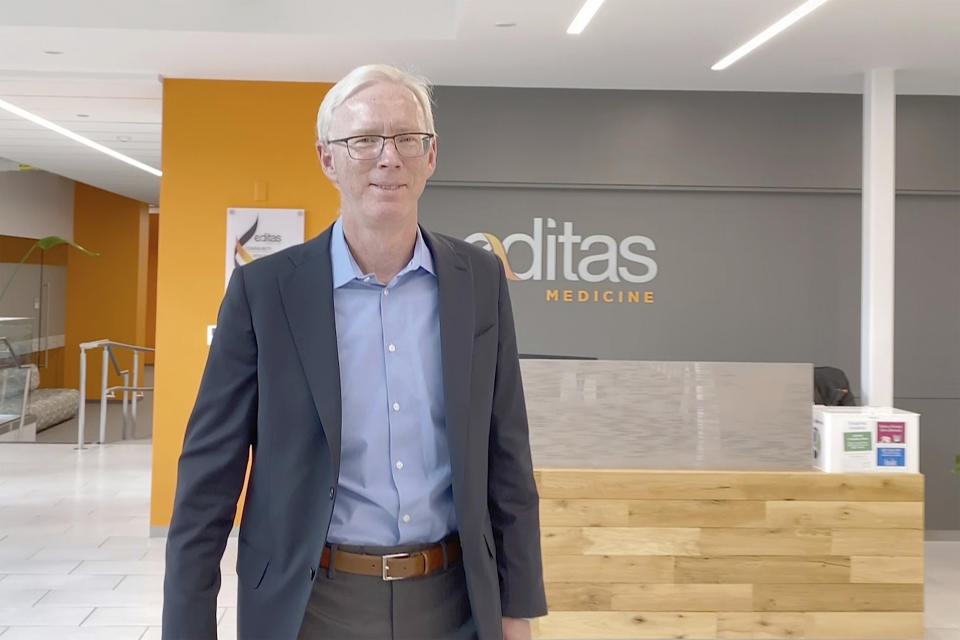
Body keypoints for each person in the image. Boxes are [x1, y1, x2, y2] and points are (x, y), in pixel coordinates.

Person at [162, 63, 547, 640]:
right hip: (312, 605)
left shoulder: (479, 280)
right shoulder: (265, 292)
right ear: (327, 159)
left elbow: (507, 455)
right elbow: (208, 479)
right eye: (364, 140)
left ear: (431, 155)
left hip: (454, 598)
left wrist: (518, 610)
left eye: (407, 139)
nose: (388, 157)